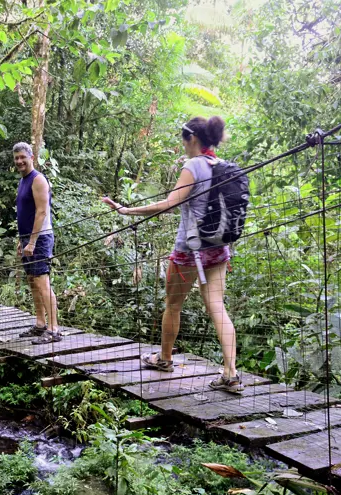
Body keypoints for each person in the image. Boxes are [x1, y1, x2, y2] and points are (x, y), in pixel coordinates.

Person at [101, 116, 243, 393]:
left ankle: (165, 359)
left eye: (183, 140)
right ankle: (231, 373)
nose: (183, 146)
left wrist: (125, 210)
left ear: (192, 139)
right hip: (218, 249)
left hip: (189, 252)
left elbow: (169, 204)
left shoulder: (194, 165)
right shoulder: (220, 166)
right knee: (217, 307)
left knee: (173, 305)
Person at [13, 141, 61, 344]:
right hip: (28, 238)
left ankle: (54, 329)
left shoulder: (38, 180)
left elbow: (42, 212)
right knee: (32, 281)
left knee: (42, 281)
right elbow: (25, 213)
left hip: (40, 238)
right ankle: (40, 323)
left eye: (23, 157)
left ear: (32, 157)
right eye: (16, 158)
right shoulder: (23, 180)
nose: (19, 161)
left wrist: (32, 242)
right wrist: (22, 241)